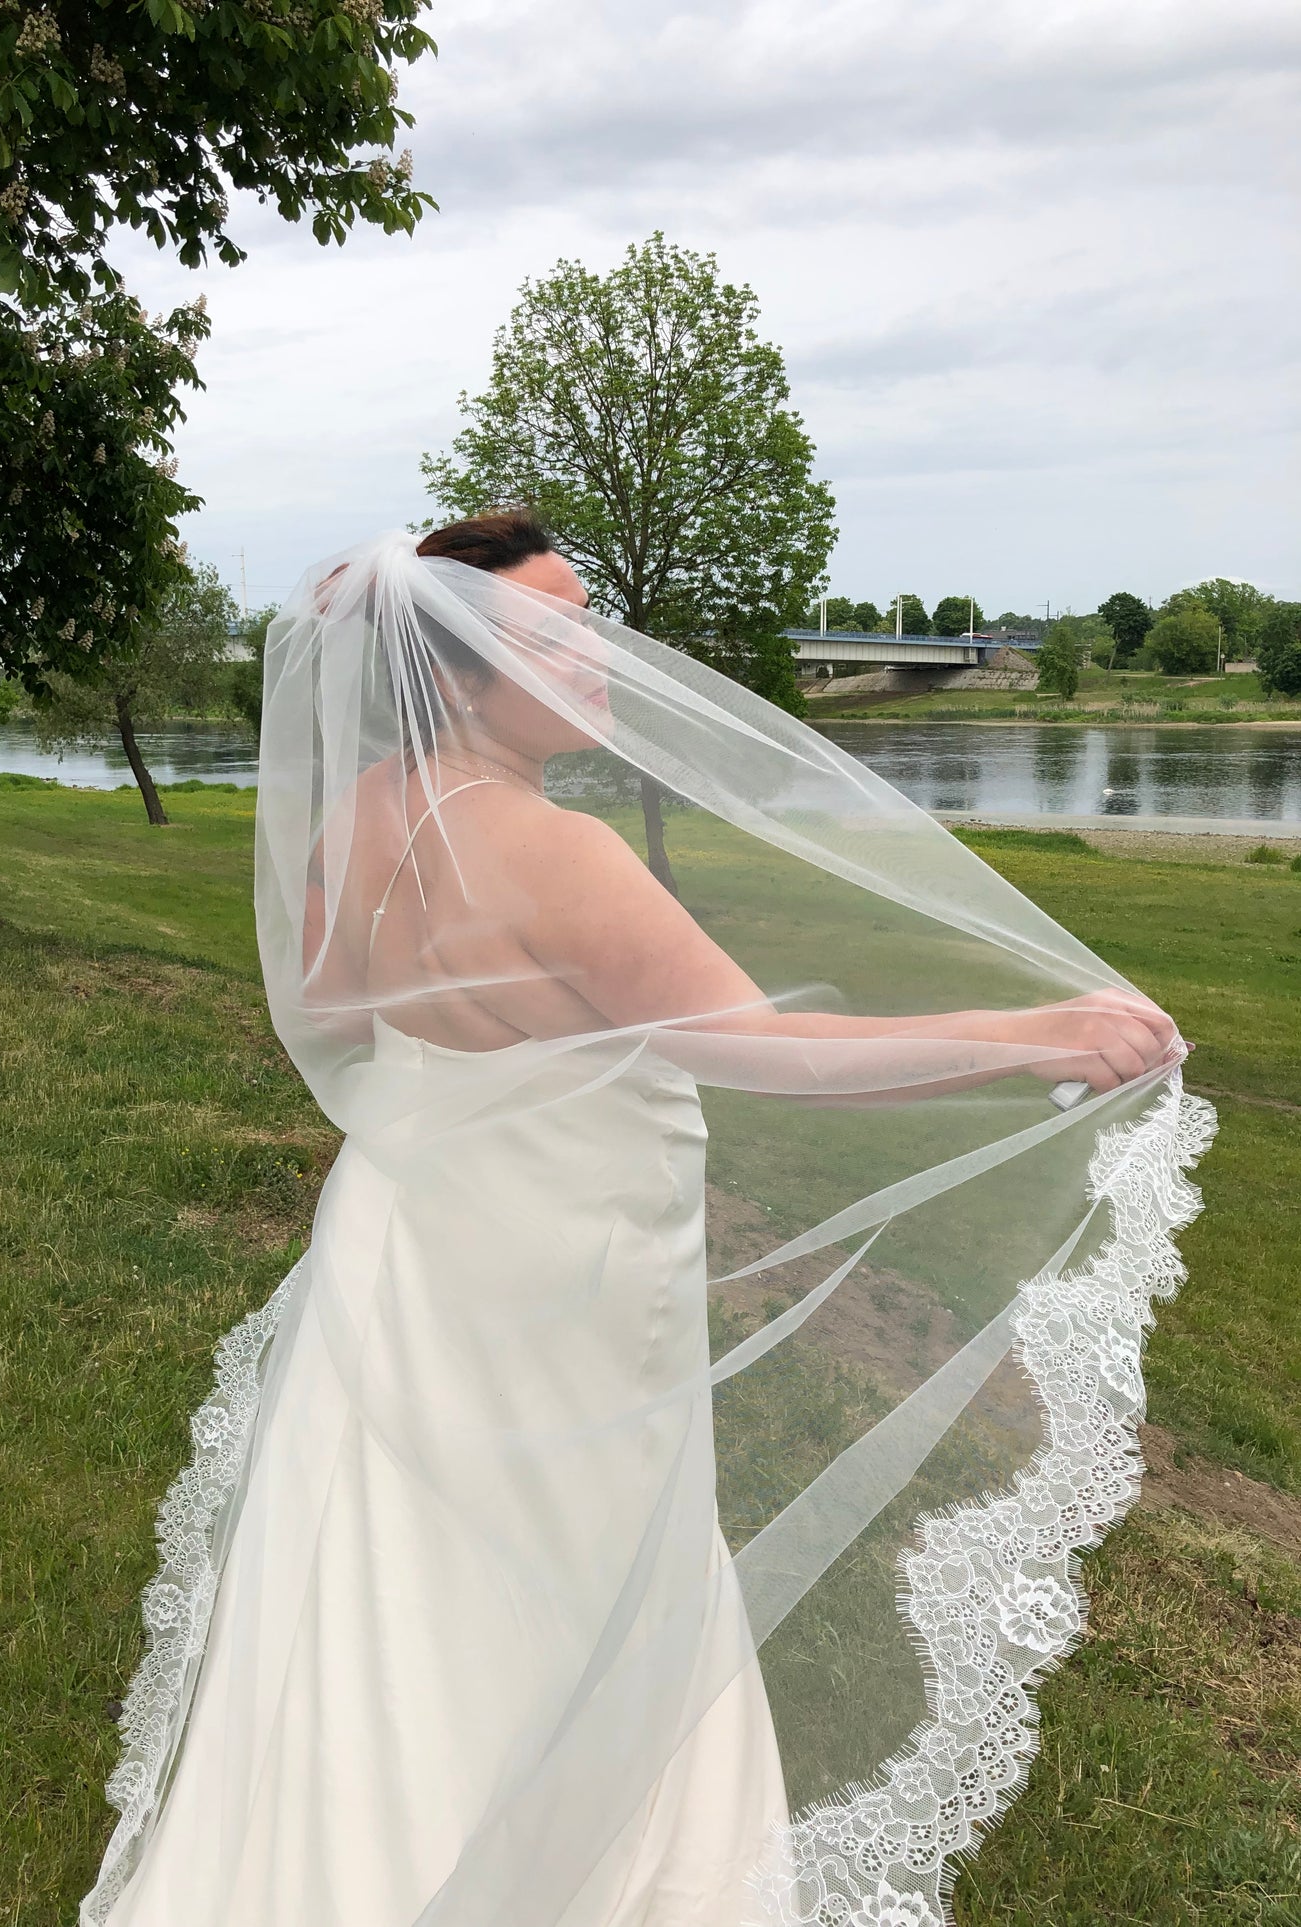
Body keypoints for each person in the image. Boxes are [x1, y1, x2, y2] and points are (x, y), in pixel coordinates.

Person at [80, 514, 1210, 1927]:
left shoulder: (352, 821)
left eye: (588, 621)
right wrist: (1032, 1032)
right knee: (567, 1585)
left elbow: (339, 1027)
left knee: (380, 1580)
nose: (594, 657)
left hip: (405, 1246)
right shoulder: (559, 854)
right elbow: (770, 1056)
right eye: (547, 636)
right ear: (462, 671)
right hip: (561, 1277)